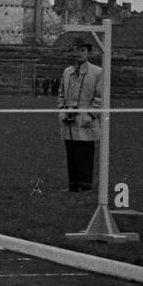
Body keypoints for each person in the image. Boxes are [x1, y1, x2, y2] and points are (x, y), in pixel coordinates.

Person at [58, 42, 102, 191]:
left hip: (85, 117)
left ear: (88, 52)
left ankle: (85, 185)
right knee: (71, 152)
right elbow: (61, 94)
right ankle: (73, 184)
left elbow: (100, 97)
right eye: (76, 50)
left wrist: (91, 115)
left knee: (85, 152)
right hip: (69, 117)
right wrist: (62, 110)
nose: (79, 54)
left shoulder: (97, 72)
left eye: (82, 50)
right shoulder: (67, 71)